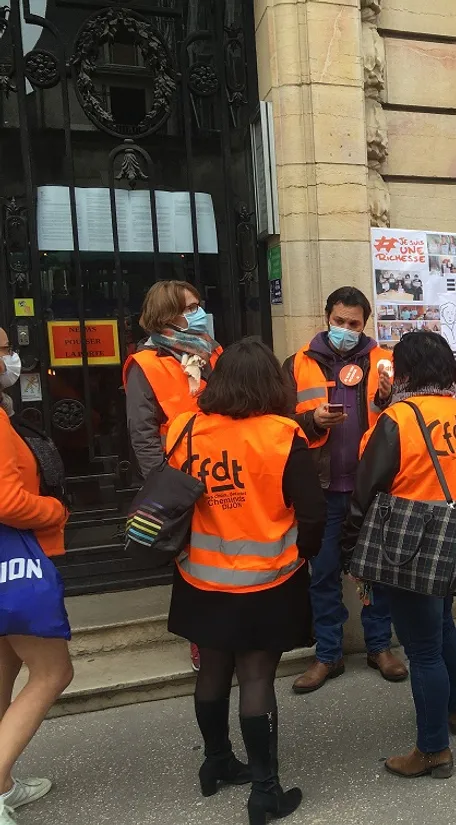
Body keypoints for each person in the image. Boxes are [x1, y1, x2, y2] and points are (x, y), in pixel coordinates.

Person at [165, 338, 324, 824]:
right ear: (273, 384)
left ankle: (215, 763)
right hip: (268, 578)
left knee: (213, 671)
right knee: (256, 677)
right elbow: (313, 514)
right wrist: (305, 555)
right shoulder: (282, 434)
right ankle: (265, 791)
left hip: (198, 576)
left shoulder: (185, 427)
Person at [340, 331, 456, 779]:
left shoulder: (398, 419)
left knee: (422, 650)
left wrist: (351, 551)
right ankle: (453, 712)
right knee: (443, 628)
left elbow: (365, 491)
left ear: (402, 373)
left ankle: (432, 751)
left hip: (408, 551)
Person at [285, 287, 407, 693]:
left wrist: (392, 398)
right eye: (339, 322)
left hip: (371, 486)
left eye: (354, 324)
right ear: (327, 317)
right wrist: (312, 420)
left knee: (377, 571)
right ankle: (328, 654)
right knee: (322, 575)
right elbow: (279, 423)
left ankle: (379, 647)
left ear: (365, 324)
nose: (346, 329)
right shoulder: (298, 362)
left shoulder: (386, 362)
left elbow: (408, 416)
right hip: (321, 488)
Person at [123, 280, 221, 673]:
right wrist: (163, 487)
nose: (200, 312)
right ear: (168, 316)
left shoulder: (210, 351)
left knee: (219, 555)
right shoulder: (145, 365)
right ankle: (201, 639)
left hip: (222, 468)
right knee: (190, 562)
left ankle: (225, 629)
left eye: (199, 305)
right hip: (179, 478)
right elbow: (142, 432)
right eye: (192, 307)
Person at [0, 329, 74, 825]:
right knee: (53, 671)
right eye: (1, 348)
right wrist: (55, 510)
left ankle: (5, 784)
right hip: (14, 557)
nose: (10, 357)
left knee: (5, 667)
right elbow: (7, 501)